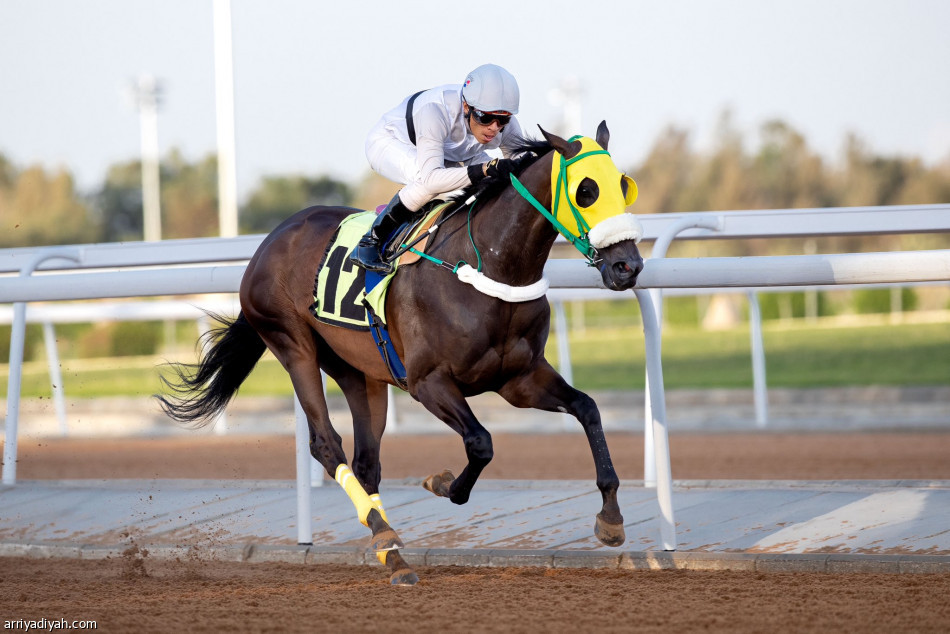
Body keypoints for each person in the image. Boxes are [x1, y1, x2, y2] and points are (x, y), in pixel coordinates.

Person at [351, 63, 529, 274]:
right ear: (466, 107)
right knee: (428, 182)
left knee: (494, 181)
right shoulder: (434, 111)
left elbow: (524, 171)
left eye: (503, 119)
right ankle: (370, 242)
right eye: (486, 118)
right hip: (392, 143)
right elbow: (432, 179)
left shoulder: (503, 124)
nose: (494, 127)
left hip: (446, 154)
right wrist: (483, 169)